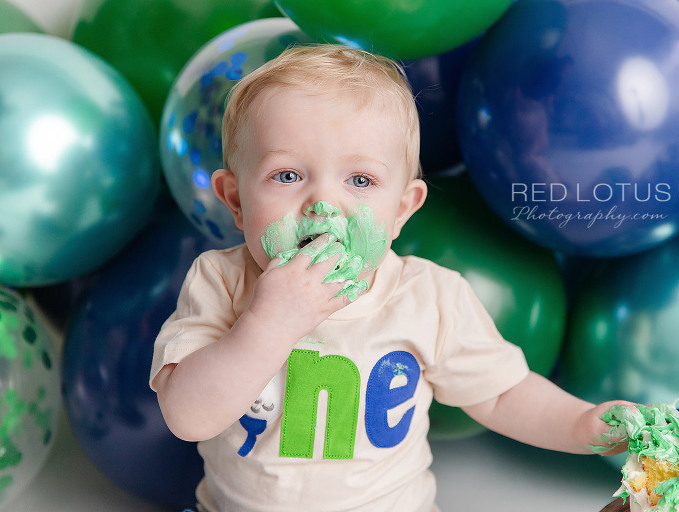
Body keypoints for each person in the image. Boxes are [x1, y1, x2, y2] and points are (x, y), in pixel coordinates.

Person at [150, 44, 628, 512]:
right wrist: (268, 322)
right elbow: (188, 416)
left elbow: (503, 393)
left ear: (402, 209)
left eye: (360, 180)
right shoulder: (220, 282)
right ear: (235, 200)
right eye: (288, 176)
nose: (325, 204)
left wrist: (580, 422)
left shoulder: (428, 297)